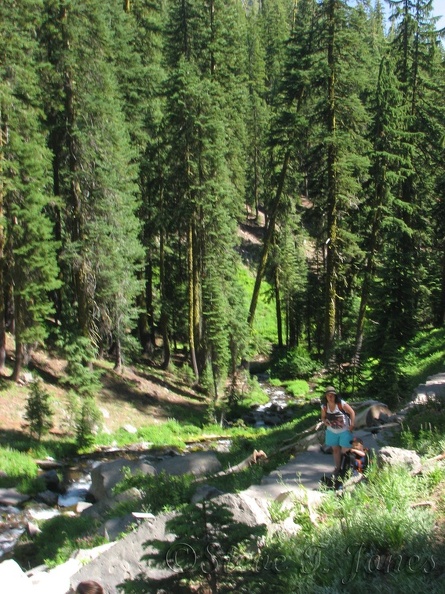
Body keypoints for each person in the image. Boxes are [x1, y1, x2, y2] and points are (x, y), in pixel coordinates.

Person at [320, 386, 355, 476]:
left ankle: (348, 467)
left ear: (335, 396)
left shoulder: (341, 404)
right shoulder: (324, 407)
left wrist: (352, 424)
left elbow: (352, 412)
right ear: (326, 397)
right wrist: (325, 421)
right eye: (328, 395)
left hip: (344, 430)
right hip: (331, 431)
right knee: (335, 450)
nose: (330, 397)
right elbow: (323, 417)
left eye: (332, 395)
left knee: (345, 450)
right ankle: (338, 468)